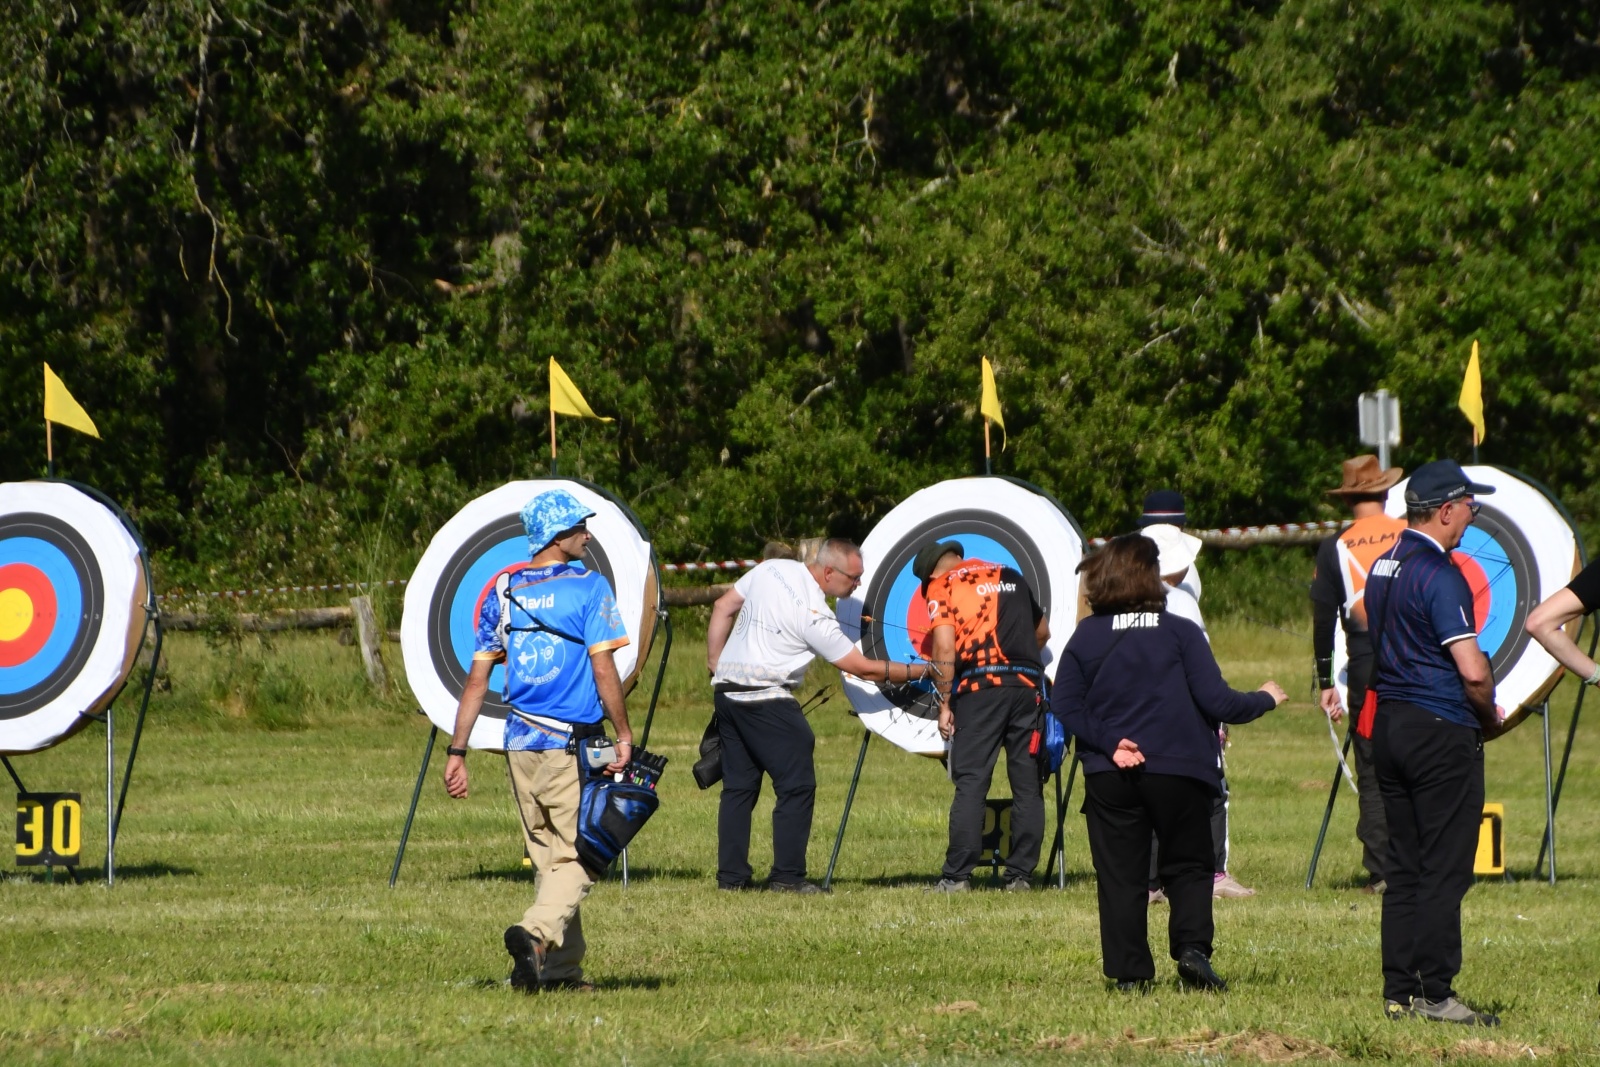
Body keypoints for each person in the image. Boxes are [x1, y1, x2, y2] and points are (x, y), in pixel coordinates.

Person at [1052, 535, 1286, 992]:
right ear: (1149, 577)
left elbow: (1064, 703)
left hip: (1110, 772)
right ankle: (1193, 950)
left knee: (1121, 876)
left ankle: (1130, 974)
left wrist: (1109, 742)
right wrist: (1265, 698)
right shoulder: (1180, 631)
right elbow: (1218, 701)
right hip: (1180, 768)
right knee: (1190, 865)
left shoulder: (1087, 635)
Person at [442, 489, 634, 994]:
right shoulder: (589, 586)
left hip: (519, 744)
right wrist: (624, 733)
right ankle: (535, 933)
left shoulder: (503, 590)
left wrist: (457, 750)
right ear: (556, 535)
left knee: (551, 860)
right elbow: (603, 668)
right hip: (569, 744)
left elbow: (477, 681)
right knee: (586, 854)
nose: (587, 535)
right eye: (579, 527)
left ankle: (557, 972)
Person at [1363, 460, 1504, 1027]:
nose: (1473, 516)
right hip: (1439, 730)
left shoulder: (1384, 565)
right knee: (1445, 867)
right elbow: (1471, 669)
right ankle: (1436, 992)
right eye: (1470, 506)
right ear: (1445, 510)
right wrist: (1488, 713)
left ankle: (1399, 991)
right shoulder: (1440, 574)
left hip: (1391, 726)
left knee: (1404, 865)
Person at [707, 539, 931, 893]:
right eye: (854, 578)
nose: (858, 584)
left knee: (738, 788)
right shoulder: (815, 615)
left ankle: (731, 879)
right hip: (767, 698)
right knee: (796, 786)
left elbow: (723, 607)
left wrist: (715, 663)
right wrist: (923, 670)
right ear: (829, 572)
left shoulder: (771, 569)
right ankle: (787, 877)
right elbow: (863, 668)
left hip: (727, 694)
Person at [917, 540, 1050, 892]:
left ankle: (956, 877)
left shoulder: (941, 586)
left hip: (980, 690)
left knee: (972, 781)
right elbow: (1042, 633)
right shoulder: (1011, 574)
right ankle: (1020, 876)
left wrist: (945, 703)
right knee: (1027, 784)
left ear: (930, 574)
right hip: (1027, 688)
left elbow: (944, 648)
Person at [1138, 501, 1250, 900]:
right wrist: (1218, 713)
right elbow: (1201, 665)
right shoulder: (1182, 602)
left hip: (1140, 710)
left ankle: (1150, 880)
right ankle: (1212, 872)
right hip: (1185, 709)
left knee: (1148, 791)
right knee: (1211, 789)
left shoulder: (1122, 599)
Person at [1310, 455, 1406, 894]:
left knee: (1372, 764)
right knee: (1419, 755)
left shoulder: (1335, 547)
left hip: (1367, 663)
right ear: (1385, 492)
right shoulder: (1411, 534)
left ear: (1348, 499)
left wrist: (1326, 682)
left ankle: (1383, 870)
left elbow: (1323, 620)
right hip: (1415, 653)